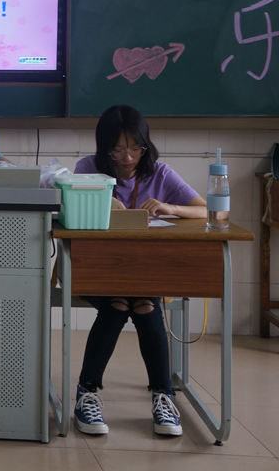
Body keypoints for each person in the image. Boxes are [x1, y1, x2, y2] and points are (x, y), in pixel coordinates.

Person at [71, 104, 207, 438]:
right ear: (104, 148)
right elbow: (66, 211)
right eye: (117, 150)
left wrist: (169, 207)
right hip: (98, 269)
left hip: (144, 270)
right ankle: (91, 394)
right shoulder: (88, 169)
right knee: (129, 303)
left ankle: (159, 397)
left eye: (135, 148)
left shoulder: (159, 173)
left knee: (137, 301)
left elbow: (205, 210)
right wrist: (99, 204)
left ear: (146, 145)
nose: (128, 157)